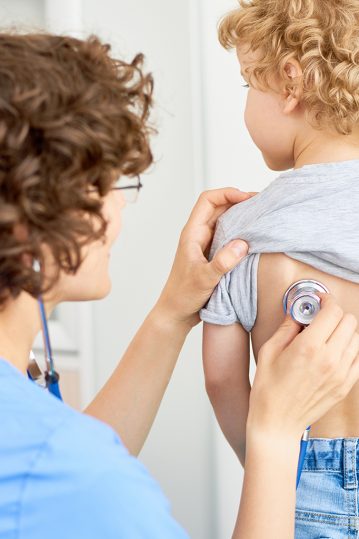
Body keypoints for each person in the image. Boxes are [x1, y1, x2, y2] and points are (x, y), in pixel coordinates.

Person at [0, 31, 357, 539]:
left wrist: (171, 312)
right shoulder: (74, 476)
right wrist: (273, 435)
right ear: (25, 219)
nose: (120, 204)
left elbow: (78, 456)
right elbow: (71, 471)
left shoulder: (47, 451)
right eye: (105, 184)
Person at [200, 1, 359, 535]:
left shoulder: (242, 228)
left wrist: (272, 463)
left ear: (289, 84)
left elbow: (222, 378)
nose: (246, 102)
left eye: (249, 85)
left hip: (303, 477)